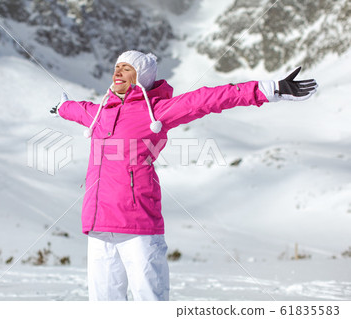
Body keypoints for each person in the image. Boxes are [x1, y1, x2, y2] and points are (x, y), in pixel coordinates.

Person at [52, 50, 317, 301]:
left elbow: (207, 99)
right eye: (117, 67)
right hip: (98, 226)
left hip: (138, 225)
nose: (118, 73)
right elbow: (76, 109)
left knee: (150, 300)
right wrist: (62, 107)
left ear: (142, 78)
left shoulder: (156, 111)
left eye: (127, 68)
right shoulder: (100, 114)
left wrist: (268, 89)